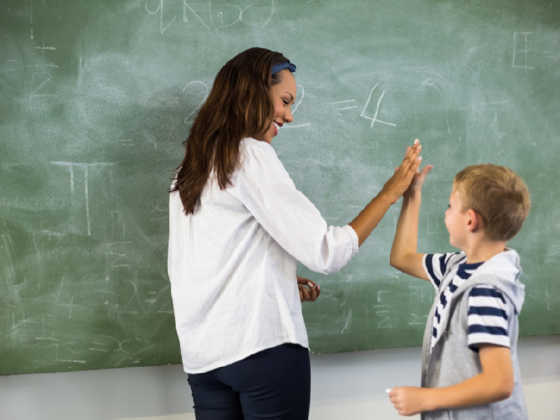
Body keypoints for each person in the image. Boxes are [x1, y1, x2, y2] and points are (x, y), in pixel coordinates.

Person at [168, 47, 423, 420]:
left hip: (204, 361)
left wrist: (278, 279)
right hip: (262, 351)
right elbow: (327, 252)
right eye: (285, 101)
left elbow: (200, 265)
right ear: (254, 92)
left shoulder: (189, 170)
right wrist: (390, 193)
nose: (289, 115)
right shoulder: (250, 154)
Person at [388, 163, 531, 419]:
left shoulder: (485, 291)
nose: (446, 212)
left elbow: (499, 382)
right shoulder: (455, 266)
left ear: (470, 220)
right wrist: (412, 195)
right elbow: (402, 257)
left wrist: (426, 398)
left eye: (450, 206)